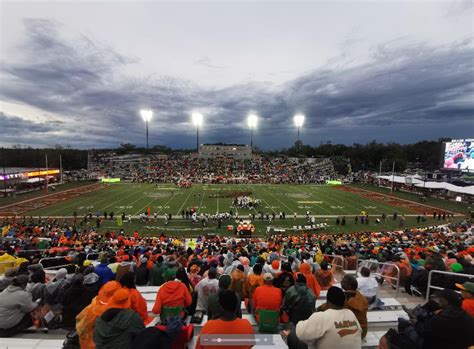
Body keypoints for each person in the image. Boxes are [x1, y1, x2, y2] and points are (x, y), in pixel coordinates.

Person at [283, 286, 362, 349]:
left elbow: (300, 333)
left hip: (302, 326)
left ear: (327, 302)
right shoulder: (350, 314)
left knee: (293, 335)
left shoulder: (321, 317)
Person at [340, 274, 368, 339]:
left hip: (351, 331)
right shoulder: (363, 298)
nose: (341, 282)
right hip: (362, 331)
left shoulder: (343, 298)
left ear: (349, 286)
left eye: (343, 281)